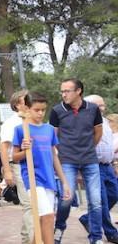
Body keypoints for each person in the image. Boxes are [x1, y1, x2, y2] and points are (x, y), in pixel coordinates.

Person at [50, 78, 104, 244]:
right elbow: (53, 136)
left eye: (67, 91)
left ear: (78, 91)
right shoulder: (57, 110)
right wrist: (65, 151)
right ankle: (59, 229)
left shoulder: (93, 109)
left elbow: (98, 133)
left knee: (95, 201)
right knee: (66, 199)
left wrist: (87, 148)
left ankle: (96, 238)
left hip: (90, 159)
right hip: (66, 160)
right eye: (62, 91)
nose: (63, 94)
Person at [13, 91, 71, 244]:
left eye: (43, 110)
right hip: (32, 179)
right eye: (36, 110)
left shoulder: (49, 129)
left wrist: (64, 182)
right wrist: (25, 150)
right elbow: (14, 157)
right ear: (28, 109)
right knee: (48, 216)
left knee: (43, 220)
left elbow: (54, 157)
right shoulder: (21, 129)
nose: (40, 113)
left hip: (48, 179)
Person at [79, 95, 118, 243]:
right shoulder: (83, 122)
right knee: (101, 202)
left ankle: (87, 218)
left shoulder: (106, 122)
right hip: (93, 166)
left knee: (114, 194)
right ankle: (111, 233)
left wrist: (113, 164)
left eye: (103, 105)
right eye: (99, 105)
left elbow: (109, 144)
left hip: (107, 166)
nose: (103, 108)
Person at [0, 89, 33, 243]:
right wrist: (7, 171)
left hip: (36, 166)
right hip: (19, 166)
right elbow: (4, 149)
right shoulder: (11, 123)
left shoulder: (34, 119)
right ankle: (28, 239)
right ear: (18, 104)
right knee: (29, 205)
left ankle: (31, 238)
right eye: (27, 99)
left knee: (36, 205)